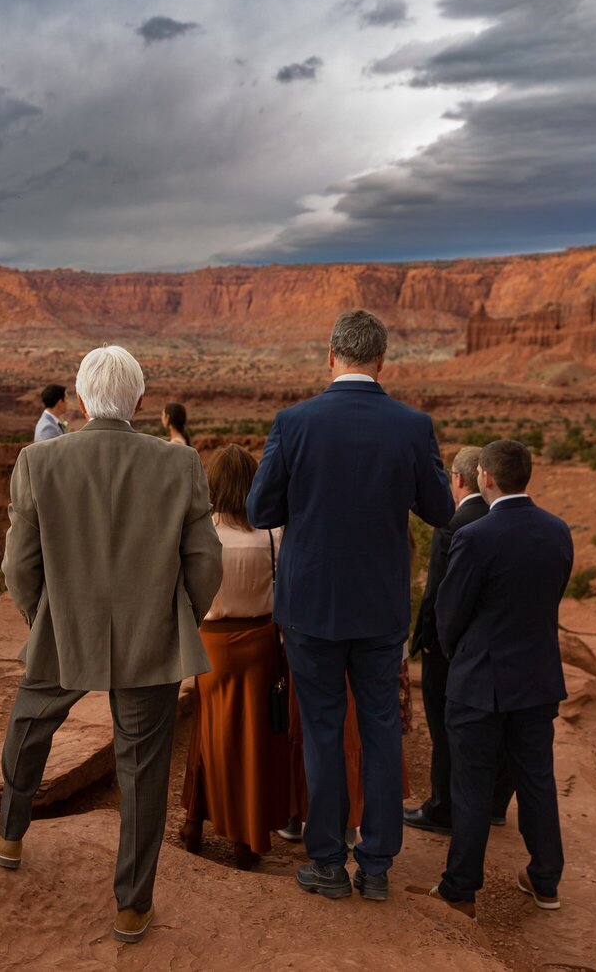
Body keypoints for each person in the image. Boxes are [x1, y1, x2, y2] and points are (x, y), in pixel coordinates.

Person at [0, 345, 222, 944]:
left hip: (64, 626)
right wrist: (180, 616)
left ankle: (9, 833)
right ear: (138, 402)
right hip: (151, 636)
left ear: (83, 401)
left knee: (30, 724)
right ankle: (132, 906)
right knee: (141, 770)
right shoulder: (179, 463)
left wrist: (43, 616)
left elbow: (18, 566)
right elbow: (205, 563)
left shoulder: (39, 461)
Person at [247, 309, 453, 902]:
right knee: (381, 729)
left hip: (310, 605)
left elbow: (262, 510)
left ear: (330, 357)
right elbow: (441, 511)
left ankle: (329, 862)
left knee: (322, 728)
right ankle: (379, 865)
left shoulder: (294, 422)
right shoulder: (413, 427)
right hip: (380, 607)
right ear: (382, 362)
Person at [430, 439, 573, 920]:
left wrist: (459, 655)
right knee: (537, 781)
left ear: (485, 476)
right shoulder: (558, 532)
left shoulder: (477, 536)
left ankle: (460, 889)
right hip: (536, 679)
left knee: (470, 784)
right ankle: (546, 879)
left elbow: (450, 613)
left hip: (480, 682)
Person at [179, 445, 289, 871]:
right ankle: (247, 839)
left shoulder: (200, 534)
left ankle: (193, 823)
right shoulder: (271, 535)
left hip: (212, 644)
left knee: (209, 731)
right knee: (254, 740)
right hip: (260, 645)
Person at [404, 446, 514, 835]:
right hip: (497, 645)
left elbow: (438, 591)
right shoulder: (501, 518)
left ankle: (442, 808)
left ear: (460, 478)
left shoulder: (454, 522)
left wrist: (427, 639)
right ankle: (495, 804)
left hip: (452, 647)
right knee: (496, 724)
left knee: (446, 725)